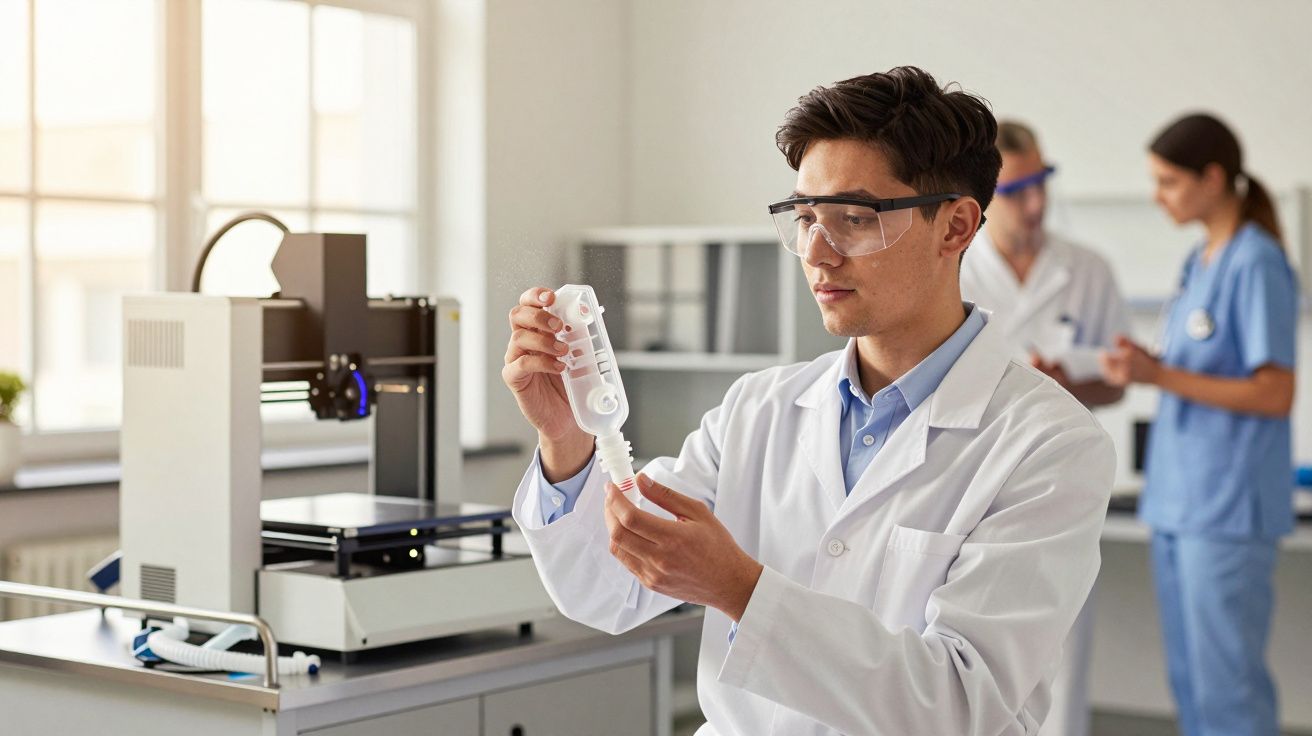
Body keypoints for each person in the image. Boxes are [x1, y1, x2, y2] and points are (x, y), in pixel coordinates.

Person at [504, 66, 1115, 736]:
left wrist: (741, 589)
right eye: (804, 218)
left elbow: (960, 704)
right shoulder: (756, 409)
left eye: (855, 219)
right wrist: (566, 440)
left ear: (955, 227)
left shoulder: (1050, 445)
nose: (817, 253)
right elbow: (608, 590)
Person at [1102, 113, 1298, 736]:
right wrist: (1144, 367)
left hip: (1226, 508)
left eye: (1169, 182)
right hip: (1178, 501)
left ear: (1212, 178)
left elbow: (1275, 391)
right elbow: (1195, 366)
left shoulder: (1256, 262)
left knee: (1227, 690)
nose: (1158, 196)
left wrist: (1159, 378)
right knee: (1190, 681)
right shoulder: (1198, 261)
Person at [961, 120, 1129, 736]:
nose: (1035, 203)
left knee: (1060, 665)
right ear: (980, 199)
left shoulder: (1087, 270)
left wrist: (1062, 383)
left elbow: (1115, 381)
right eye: (1019, 189)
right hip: (969, 479)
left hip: (1059, 478)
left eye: (1042, 184)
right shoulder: (953, 270)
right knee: (966, 661)